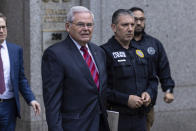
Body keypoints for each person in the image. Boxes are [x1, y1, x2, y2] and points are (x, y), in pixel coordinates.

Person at [42, 6, 110, 131]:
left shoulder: (99, 52)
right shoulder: (55, 54)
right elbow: (52, 102)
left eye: (89, 25)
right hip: (74, 126)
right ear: (68, 27)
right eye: (80, 24)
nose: (86, 29)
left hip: (100, 124)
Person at [101, 9, 158, 131]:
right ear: (114, 27)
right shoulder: (104, 52)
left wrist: (149, 93)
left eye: (132, 24)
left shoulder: (141, 51)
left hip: (140, 117)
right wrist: (125, 99)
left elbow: (153, 79)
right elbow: (100, 88)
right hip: (117, 117)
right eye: (125, 25)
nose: (130, 28)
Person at [129, 7, 175, 131]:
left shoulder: (154, 44)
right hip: (124, 104)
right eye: (135, 19)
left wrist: (168, 89)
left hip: (147, 105)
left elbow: (163, 68)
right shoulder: (122, 43)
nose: (139, 23)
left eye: (141, 19)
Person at [0, 12, 41, 131]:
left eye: (3, 27)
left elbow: (21, 78)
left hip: (8, 106)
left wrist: (31, 99)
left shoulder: (15, 50)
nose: (1, 31)